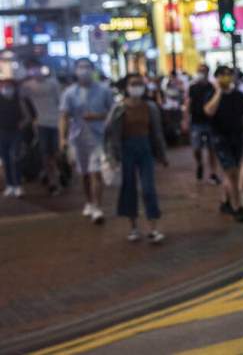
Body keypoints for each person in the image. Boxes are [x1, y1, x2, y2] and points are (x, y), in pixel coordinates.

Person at [105, 74, 169, 243]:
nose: (136, 87)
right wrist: (112, 156)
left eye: (140, 84)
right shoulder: (119, 108)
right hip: (127, 150)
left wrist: (162, 154)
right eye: (133, 84)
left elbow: (157, 133)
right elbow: (110, 133)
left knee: (148, 188)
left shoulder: (150, 107)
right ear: (126, 87)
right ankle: (133, 227)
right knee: (129, 187)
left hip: (145, 149)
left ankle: (153, 227)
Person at [60, 58, 115, 224]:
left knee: (96, 172)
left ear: (93, 70)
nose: (84, 70)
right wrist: (62, 138)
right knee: (84, 174)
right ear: (75, 70)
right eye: (80, 67)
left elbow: (113, 113)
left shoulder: (104, 90)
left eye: (87, 67)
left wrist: (97, 117)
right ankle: (89, 201)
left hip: (98, 137)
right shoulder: (70, 93)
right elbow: (63, 115)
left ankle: (98, 207)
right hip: (78, 138)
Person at [204, 65, 243, 223]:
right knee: (232, 172)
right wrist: (219, 91)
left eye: (229, 74)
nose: (226, 77)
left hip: (237, 137)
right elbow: (209, 111)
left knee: (232, 173)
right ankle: (237, 206)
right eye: (223, 75)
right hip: (220, 139)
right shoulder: (211, 94)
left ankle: (225, 201)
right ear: (216, 77)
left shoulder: (238, 96)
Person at [20, 60, 63, 195]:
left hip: (56, 123)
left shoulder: (53, 83)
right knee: (45, 153)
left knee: (56, 152)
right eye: (32, 70)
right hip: (41, 124)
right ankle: (52, 180)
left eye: (37, 69)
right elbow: (19, 97)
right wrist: (28, 116)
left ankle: (59, 174)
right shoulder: (28, 86)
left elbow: (60, 103)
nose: (36, 73)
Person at [186, 64, 221, 185]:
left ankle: (213, 173)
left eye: (204, 71)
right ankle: (199, 163)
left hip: (210, 122)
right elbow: (188, 103)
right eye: (200, 71)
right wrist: (185, 120)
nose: (202, 73)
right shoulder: (193, 87)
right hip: (196, 122)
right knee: (197, 148)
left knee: (212, 149)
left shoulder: (212, 87)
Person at [0, 78, 32, 198]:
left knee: (15, 158)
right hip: (2, 133)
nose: (6, 89)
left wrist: (21, 125)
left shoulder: (19, 100)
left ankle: (18, 185)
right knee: (5, 160)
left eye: (9, 86)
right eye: (3, 86)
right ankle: (10, 185)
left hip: (15, 133)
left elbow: (28, 116)